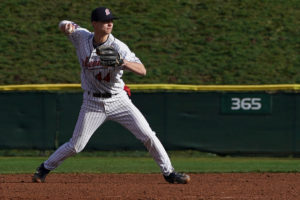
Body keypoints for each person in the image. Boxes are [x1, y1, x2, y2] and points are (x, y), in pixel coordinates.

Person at [32, 6, 190, 184]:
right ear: (94, 24)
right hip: (92, 102)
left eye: (111, 21)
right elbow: (64, 24)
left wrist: (122, 62)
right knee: (76, 146)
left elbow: (142, 70)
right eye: (105, 21)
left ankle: (169, 173)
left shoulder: (118, 47)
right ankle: (44, 169)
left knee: (148, 135)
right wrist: (65, 26)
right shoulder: (82, 37)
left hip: (118, 100)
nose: (110, 24)